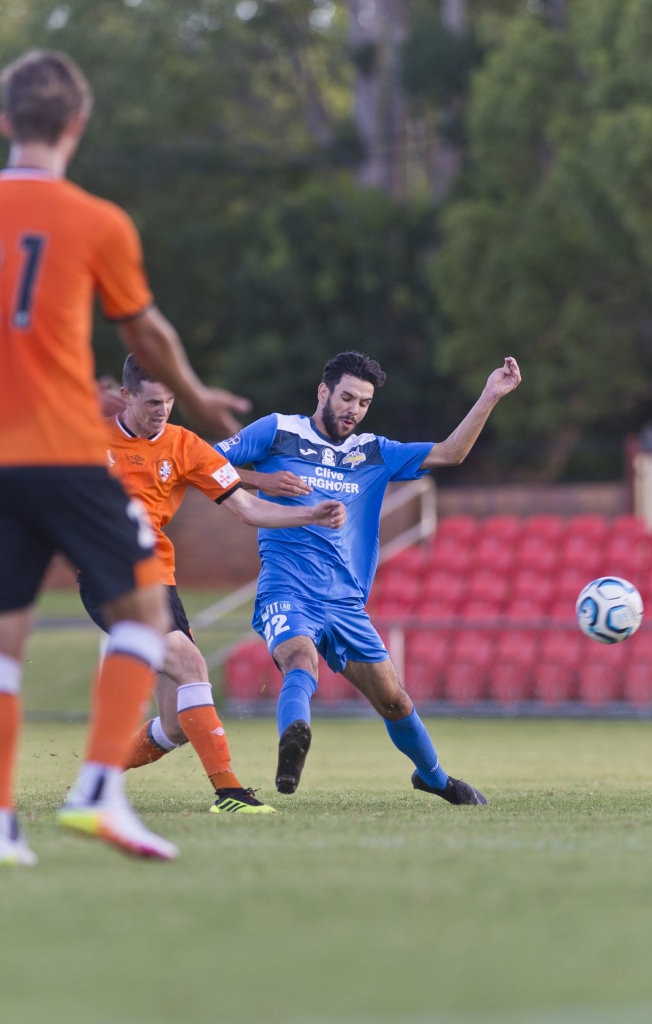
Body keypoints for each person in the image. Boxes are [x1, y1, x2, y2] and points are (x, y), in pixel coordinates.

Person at [0, 49, 251, 865]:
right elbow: (146, 332)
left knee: (7, 645)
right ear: (77, 125)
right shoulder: (97, 220)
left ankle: (4, 826)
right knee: (149, 612)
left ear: (5, 121)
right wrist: (202, 396)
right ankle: (98, 793)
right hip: (68, 452)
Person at [215, 350, 522, 804]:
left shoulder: (374, 452)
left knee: (394, 700)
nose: (353, 410)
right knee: (300, 660)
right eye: (345, 398)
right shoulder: (277, 431)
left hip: (346, 604)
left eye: (362, 403)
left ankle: (434, 778)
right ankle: (293, 744)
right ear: (323, 392)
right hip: (287, 589)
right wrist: (261, 482)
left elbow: (451, 453)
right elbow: (200, 463)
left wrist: (490, 396)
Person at [79, 355, 345, 814]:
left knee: (176, 724)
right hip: (108, 576)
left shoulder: (185, 446)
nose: (162, 410)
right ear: (126, 396)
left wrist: (310, 514)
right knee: (191, 664)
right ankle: (229, 793)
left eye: (168, 401)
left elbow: (248, 509)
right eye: (151, 402)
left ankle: (94, 780)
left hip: (159, 582)